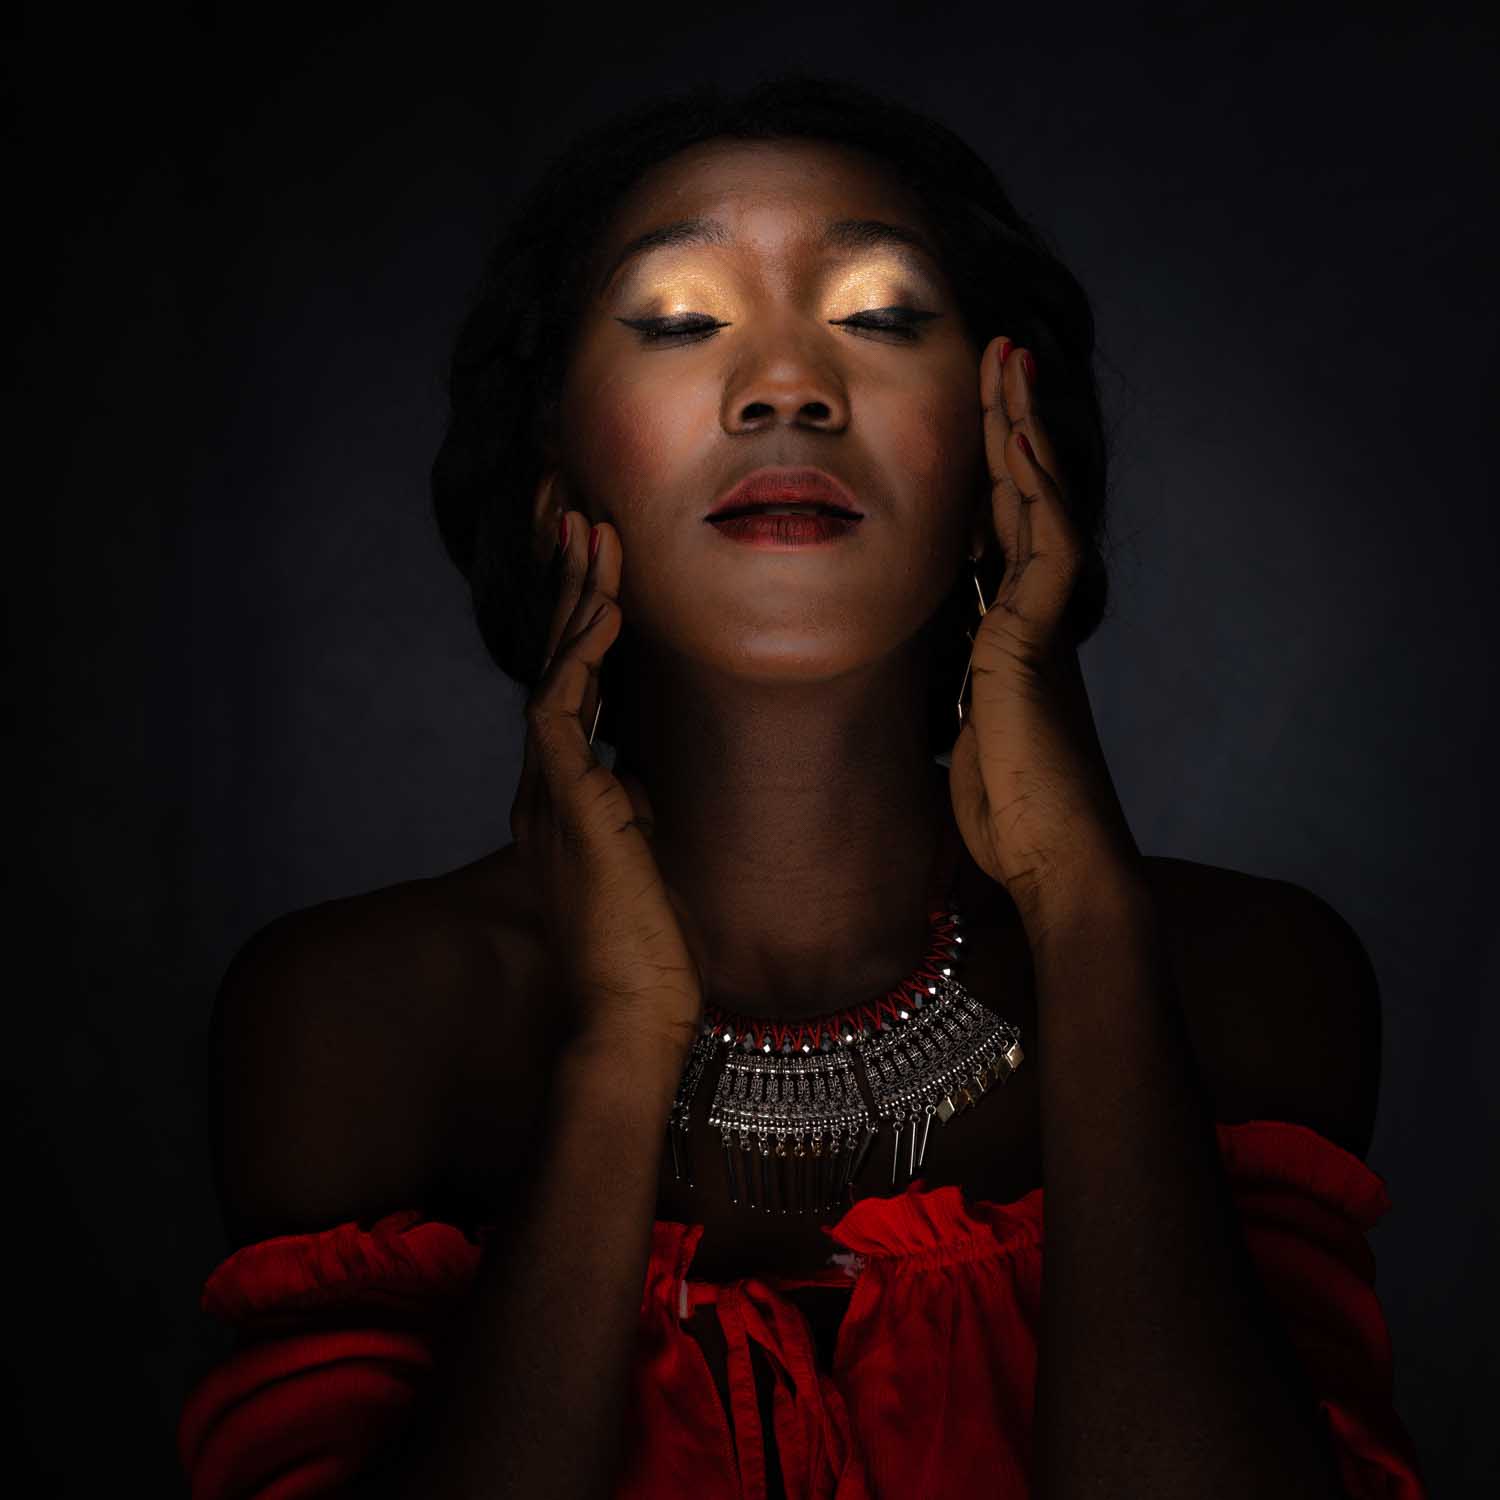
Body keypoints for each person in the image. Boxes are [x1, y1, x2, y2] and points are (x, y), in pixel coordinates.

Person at [177, 72, 1428, 1500]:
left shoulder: (1254, 986)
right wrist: (617, 1049)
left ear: (1000, 457)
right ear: (552, 480)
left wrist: (1087, 916)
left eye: (880, 317)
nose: (787, 387)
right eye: (678, 320)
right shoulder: (356, 1025)